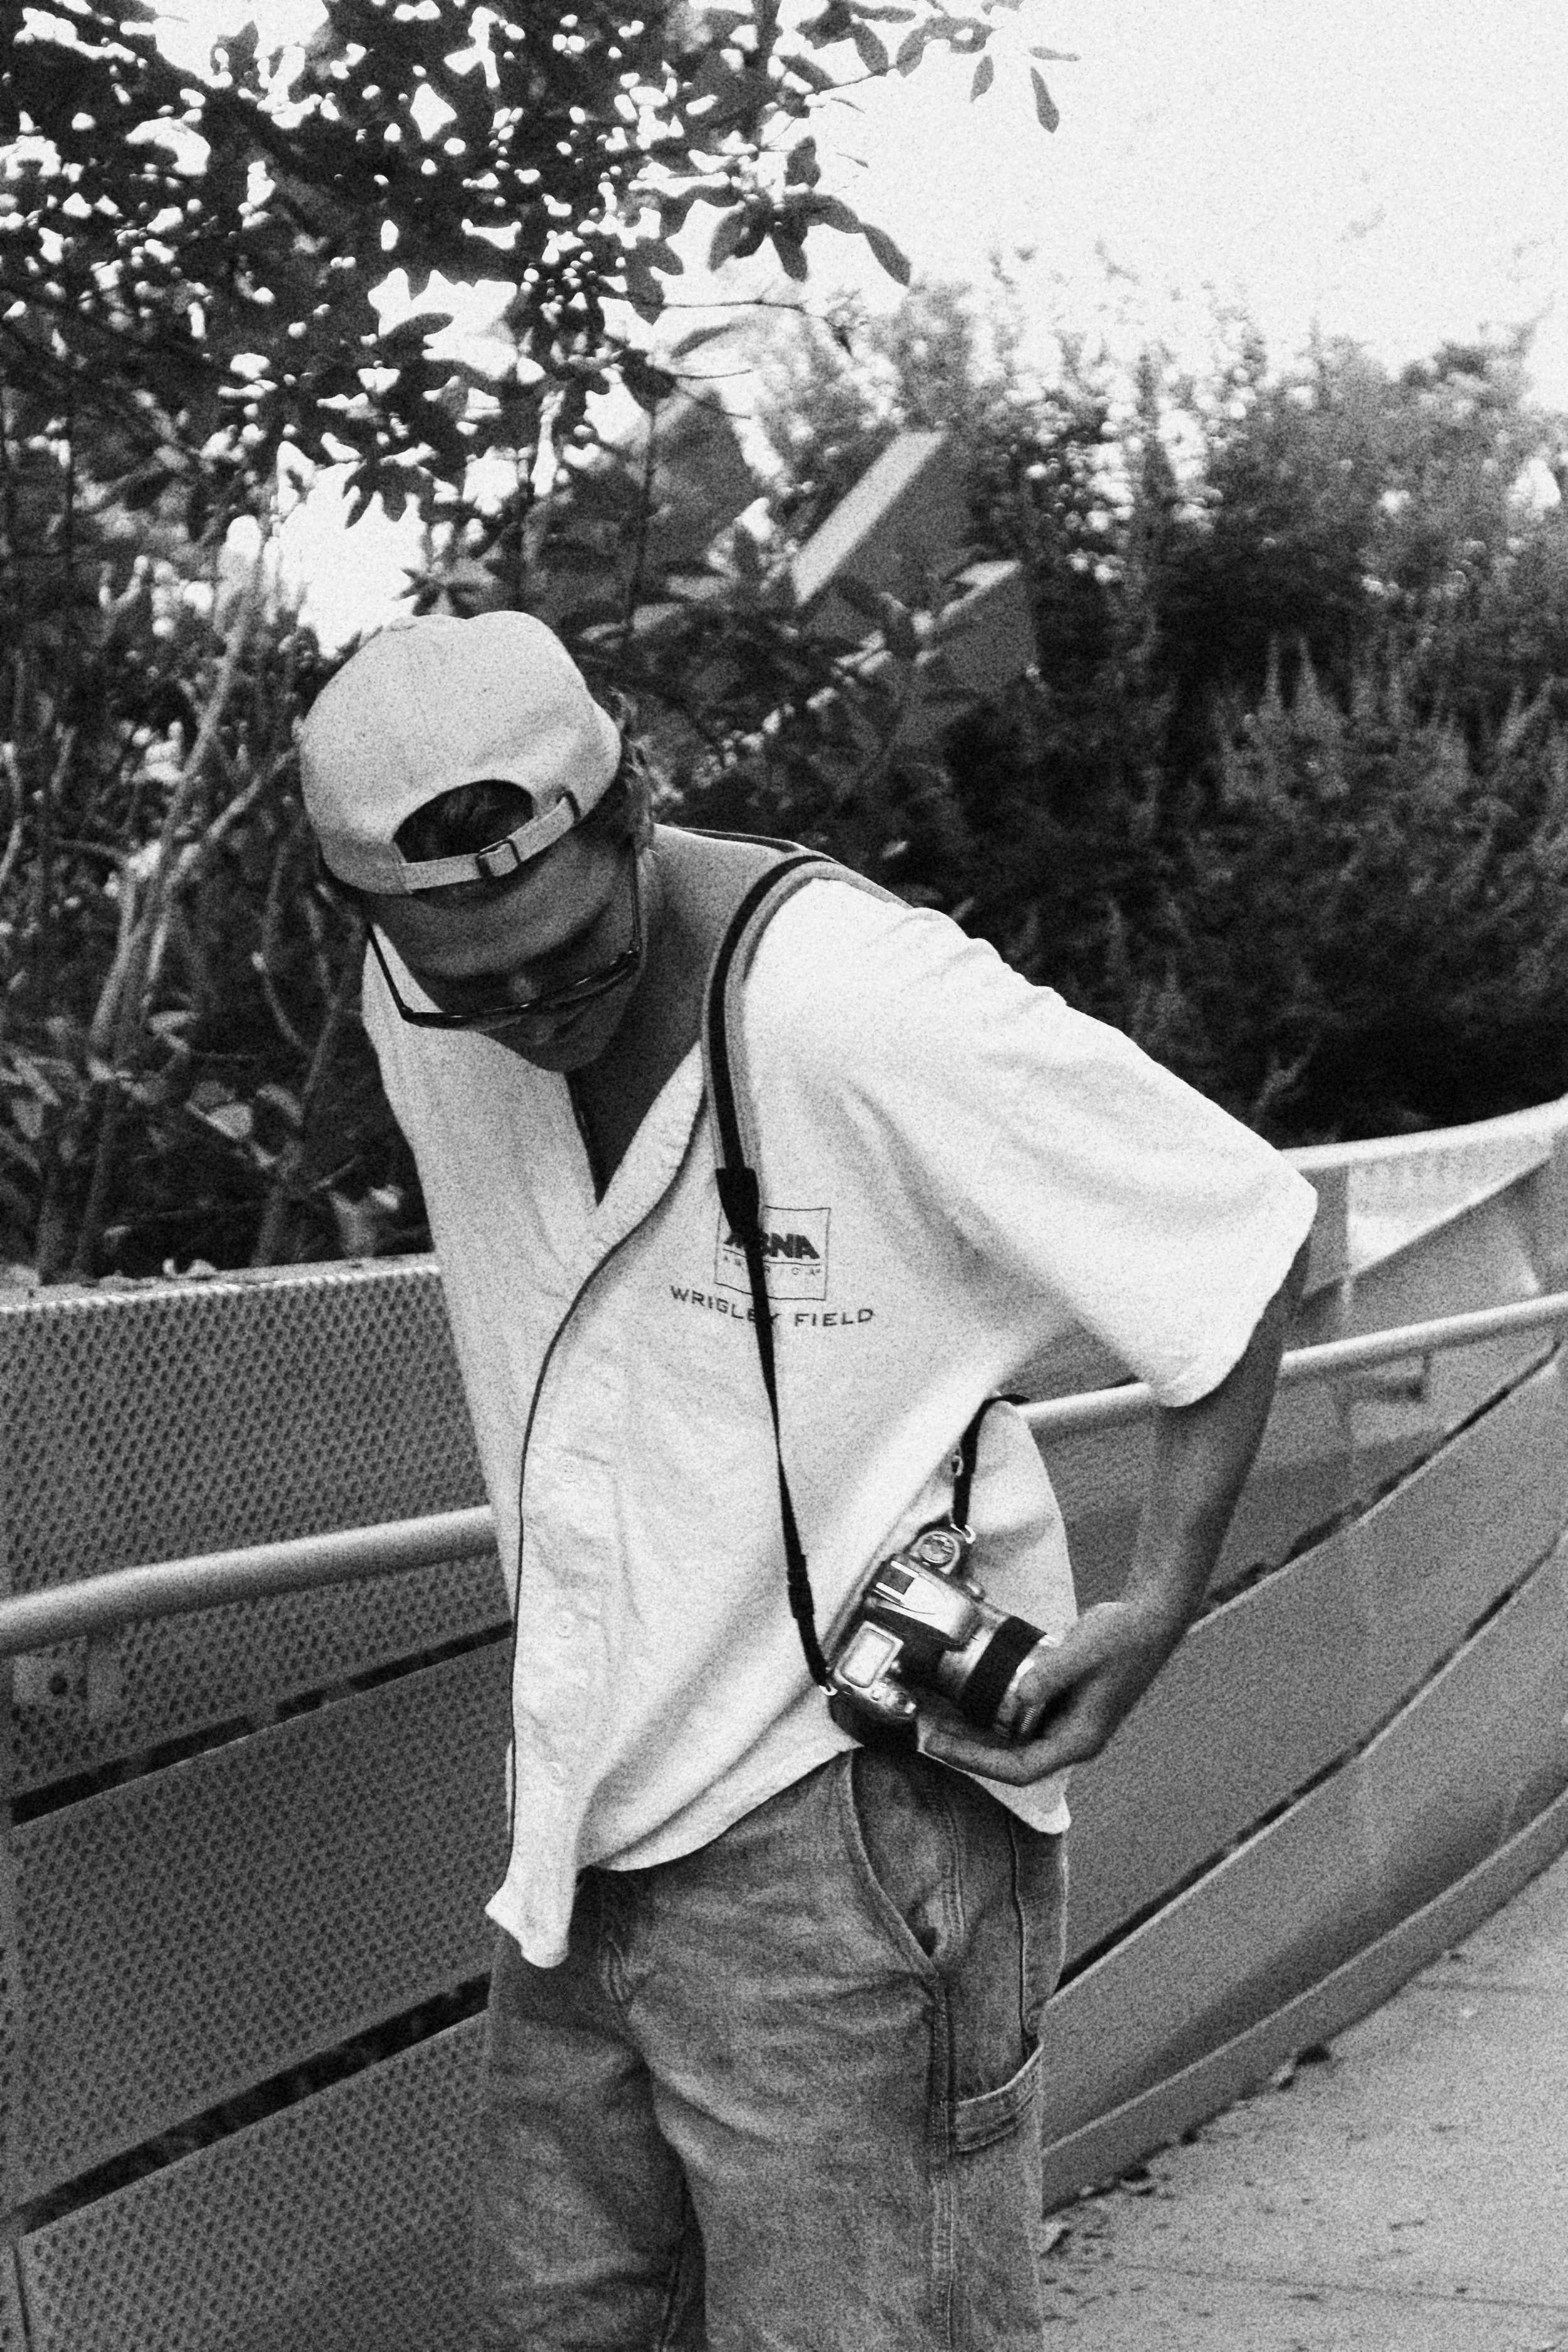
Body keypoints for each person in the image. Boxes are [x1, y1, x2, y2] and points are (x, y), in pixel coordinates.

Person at [299, 608, 1317, 2352]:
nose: (529, 1016)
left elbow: (1232, 1238)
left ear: (638, 819)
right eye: (471, 984)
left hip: (850, 1825)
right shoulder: (428, 1010)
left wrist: (1152, 1607)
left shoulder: (858, 1006)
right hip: (581, 1825)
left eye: (570, 956)